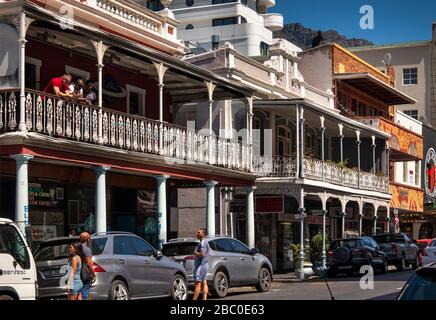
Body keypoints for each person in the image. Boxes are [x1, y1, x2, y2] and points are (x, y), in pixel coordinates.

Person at [193, 228, 210, 300]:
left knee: (198, 284)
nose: (197, 233)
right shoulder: (205, 242)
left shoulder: (203, 242)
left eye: (198, 232)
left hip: (201, 266)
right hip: (205, 265)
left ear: (203, 234)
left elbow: (202, 254)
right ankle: (204, 299)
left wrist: (195, 253)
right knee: (204, 282)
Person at [78, 232, 96, 300]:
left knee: (79, 293)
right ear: (88, 240)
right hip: (85, 275)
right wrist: (94, 275)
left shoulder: (76, 248)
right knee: (84, 293)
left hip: (77, 274)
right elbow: (89, 264)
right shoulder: (86, 249)